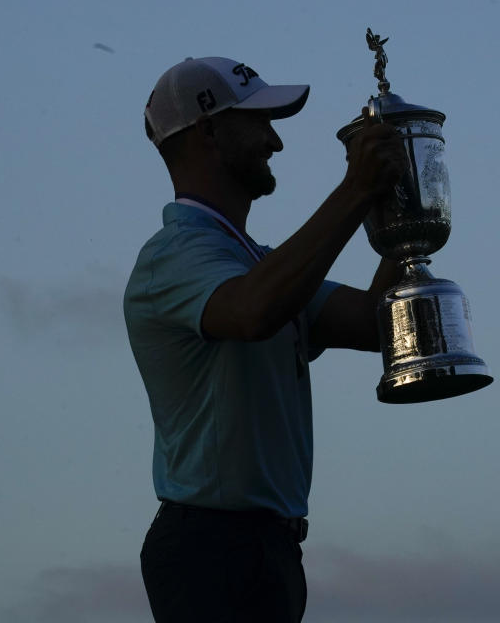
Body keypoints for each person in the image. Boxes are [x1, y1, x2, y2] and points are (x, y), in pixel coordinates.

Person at [123, 56, 407, 622]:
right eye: (258, 122)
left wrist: (402, 214)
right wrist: (355, 189)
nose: (275, 141)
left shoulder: (260, 265)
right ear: (207, 131)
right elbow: (253, 311)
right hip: (210, 551)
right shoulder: (173, 258)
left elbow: (380, 322)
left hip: (264, 550)